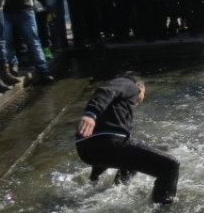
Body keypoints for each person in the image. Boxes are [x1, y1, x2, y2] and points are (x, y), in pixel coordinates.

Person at [75, 73, 179, 204]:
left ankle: (118, 191)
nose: (141, 99)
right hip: (108, 142)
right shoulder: (127, 84)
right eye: (144, 93)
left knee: (133, 156)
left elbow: (100, 143)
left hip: (86, 150)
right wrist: (91, 114)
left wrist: (95, 174)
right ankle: (163, 211)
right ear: (140, 87)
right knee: (170, 165)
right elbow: (106, 91)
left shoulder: (116, 104)